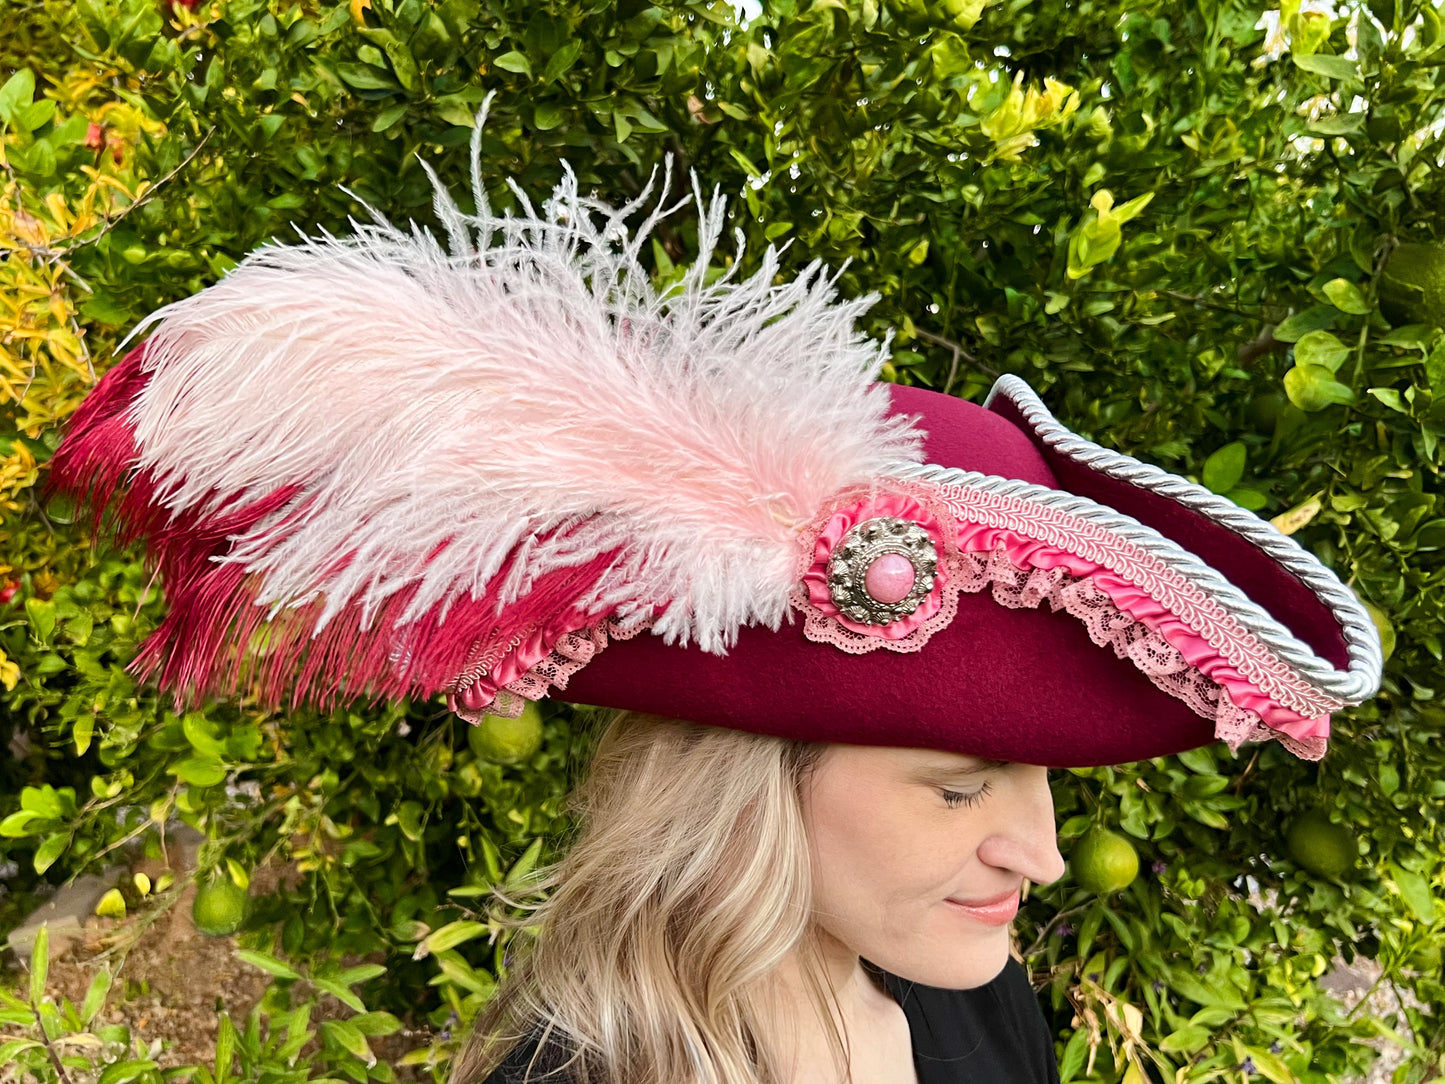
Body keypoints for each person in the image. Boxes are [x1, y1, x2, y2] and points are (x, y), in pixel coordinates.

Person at [50, 119, 1383, 1084]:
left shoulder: (978, 1014)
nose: (1037, 855)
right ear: (743, 786)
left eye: (1031, 779)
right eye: (960, 787)